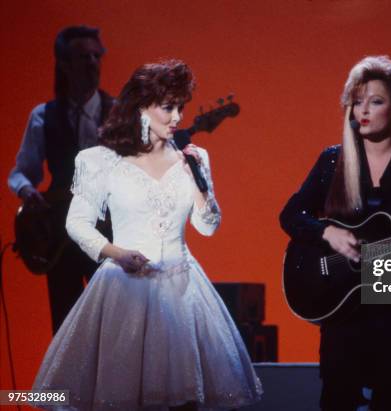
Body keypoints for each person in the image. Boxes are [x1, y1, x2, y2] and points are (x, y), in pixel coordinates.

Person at [32, 60, 262, 410]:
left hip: (182, 290)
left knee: (184, 398)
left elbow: (208, 227)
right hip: (125, 289)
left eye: (180, 107)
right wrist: (116, 253)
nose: (177, 117)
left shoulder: (193, 158)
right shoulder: (101, 160)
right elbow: (76, 223)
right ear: (141, 107)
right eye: (168, 107)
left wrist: (200, 186)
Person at [280, 56, 391, 411]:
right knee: (337, 399)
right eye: (357, 101)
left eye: (375, 101)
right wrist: (327, 233)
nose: (363, 110)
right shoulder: (333, 160)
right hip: (343, 303)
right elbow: (291, 215)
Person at [8, 25, 114, 333]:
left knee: (110, 325)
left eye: (97, 56)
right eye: (84, 57)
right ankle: (67, 384)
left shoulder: (119, 114)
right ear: (65, 65)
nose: (93, 63)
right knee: (66, 328)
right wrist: (28, 192)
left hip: (107, 234)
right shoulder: (43, 116)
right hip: (61, 240)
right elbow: (21, 173)